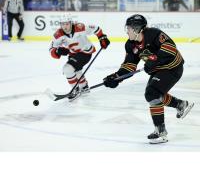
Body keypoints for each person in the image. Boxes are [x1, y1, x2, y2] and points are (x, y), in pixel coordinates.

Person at [103, 14, 194, 144]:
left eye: (128, 28)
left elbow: (170, 48)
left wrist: (154, 60)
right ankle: (180, 104)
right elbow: (130, 66)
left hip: (172, 68)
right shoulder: (130, 45)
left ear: (137, 29)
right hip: (158, 70)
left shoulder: (154, 34)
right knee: (153, 95)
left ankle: (161, 132)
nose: (127, 31)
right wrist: (116, 77)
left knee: (152, 93)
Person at [49, 15, 110, 101]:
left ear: (71, 23)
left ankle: (75, 90)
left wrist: (102, 37)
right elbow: (52, 49)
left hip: (85, 52)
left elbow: (96, 28)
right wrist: (57, 51)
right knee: (76, 71)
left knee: (68, 69)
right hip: (73, 54)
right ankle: (84, 87)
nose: (65, 26)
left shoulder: (80, 27)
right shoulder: (58, 35)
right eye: (62, 24)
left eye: (67, 24)